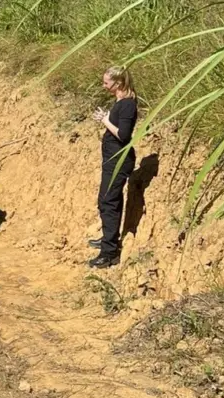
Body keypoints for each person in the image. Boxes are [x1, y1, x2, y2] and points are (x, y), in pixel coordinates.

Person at [89, 65, 138, 269]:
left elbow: (124, 135)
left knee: (109, 202)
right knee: (106, 200)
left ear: (118, 83)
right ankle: (108, 239)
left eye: (107, 82)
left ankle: (109, 252)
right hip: (112, 160)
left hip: (119, 160)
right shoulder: (120, 102)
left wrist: (105, 120)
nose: (104, 86)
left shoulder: (127, 105)